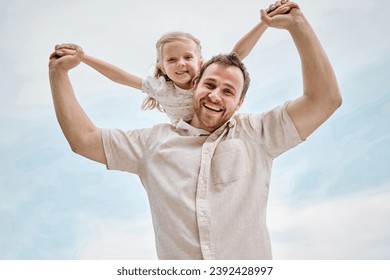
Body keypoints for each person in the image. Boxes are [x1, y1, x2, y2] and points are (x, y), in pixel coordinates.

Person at [48, 2, 341, 259]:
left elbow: (324, 99)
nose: (215, 95)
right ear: (197, 84)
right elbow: (84, 139)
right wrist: (60, 72)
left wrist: (296, 26)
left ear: (240, 103)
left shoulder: (256, 133)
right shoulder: (152, 144)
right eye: (210, 85)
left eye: (228, 91)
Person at [54, 0, 297, 124]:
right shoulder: (159, 88)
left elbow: (237, 54)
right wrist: (83, 58)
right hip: (186, 136)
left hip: (217, 125)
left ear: (200, 62)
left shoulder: (206, 79)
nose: (181, 63)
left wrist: (264, 24)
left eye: (188, 57)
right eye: (172, 59)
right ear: (161, 67)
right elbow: (119, 76)